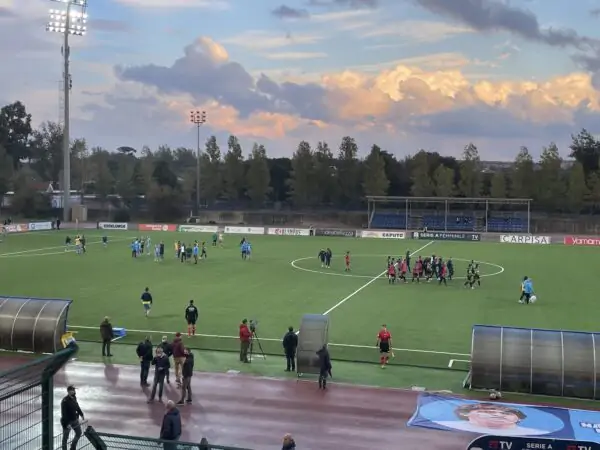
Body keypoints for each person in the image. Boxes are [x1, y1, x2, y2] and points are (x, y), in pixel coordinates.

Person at [60, 385, 84, 450]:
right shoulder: (65, 401)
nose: (74, 391)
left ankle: (72, 447)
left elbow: (77, 406)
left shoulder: (74, 398)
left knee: (79, 433)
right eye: (72, 390)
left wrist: (81, 414)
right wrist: (67, 424)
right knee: (65, 438)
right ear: (68, 391)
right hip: (67, 421)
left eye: (74, 390)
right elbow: (63, 413)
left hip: (75, 419)